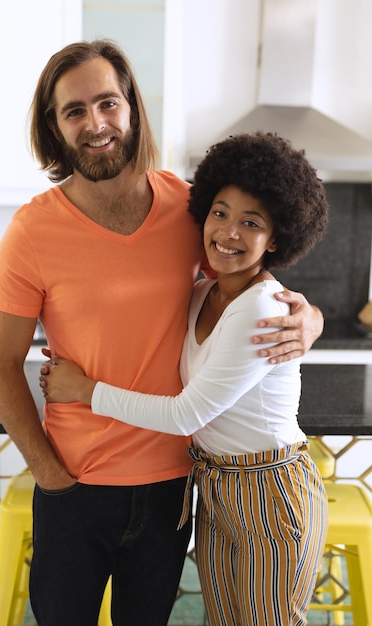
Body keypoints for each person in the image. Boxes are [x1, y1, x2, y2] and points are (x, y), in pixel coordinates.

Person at [0, 37, 324, 626]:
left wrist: (309, 318)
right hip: (75, 485)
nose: (96, 123)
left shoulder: (187, 208)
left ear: (133, 109)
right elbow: (2, 364)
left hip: (173, 488)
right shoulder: (30, 232)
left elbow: (245, 276)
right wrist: (49, 474)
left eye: (108, 103)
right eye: (74, 110)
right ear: (55, 127)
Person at [40, 132, 329, 626]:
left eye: (251, 222)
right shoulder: (201, 294)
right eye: (220, 213)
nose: (228, 233)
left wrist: (84, 390)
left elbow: (185, 413)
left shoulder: (261, 308)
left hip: (270, 489)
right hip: (215, 486)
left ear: (276, 238)